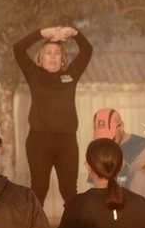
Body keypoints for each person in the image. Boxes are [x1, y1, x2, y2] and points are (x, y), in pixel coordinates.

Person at [12, 25, 94, 213]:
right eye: (48, 53)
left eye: (57, 53)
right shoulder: (34, 74)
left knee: (70, 192)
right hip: (39, 140)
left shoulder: (70, 75)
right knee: (39, 190)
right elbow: (18, 48)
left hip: (66, 141)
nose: (53, 57)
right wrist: (41, 33)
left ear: (63, 58)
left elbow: (87, 50)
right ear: (41, 57)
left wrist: (74, 33)